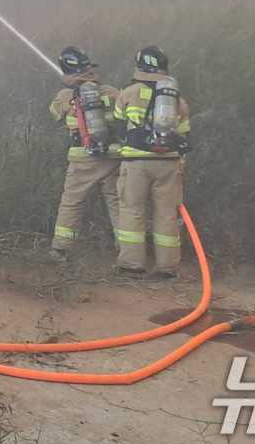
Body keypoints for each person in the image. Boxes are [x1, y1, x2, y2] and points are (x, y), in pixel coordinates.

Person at [114, 45, 190, 277]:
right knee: (166, 214)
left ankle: (131, 265)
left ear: (139, 67)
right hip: (168, 163)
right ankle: (167, 268)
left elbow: (117, 128)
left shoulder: (127, 93)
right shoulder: (177, 100)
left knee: (132, 211)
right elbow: (185, 136)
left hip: (136, 163)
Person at [47, 46, 121, 262]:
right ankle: (126, 249)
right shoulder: (112, 92)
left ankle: (60, 249)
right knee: (116, 201)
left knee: (72, 201)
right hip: (113, 156)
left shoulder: (65, 96)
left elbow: (54, 114)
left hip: (83, 157)